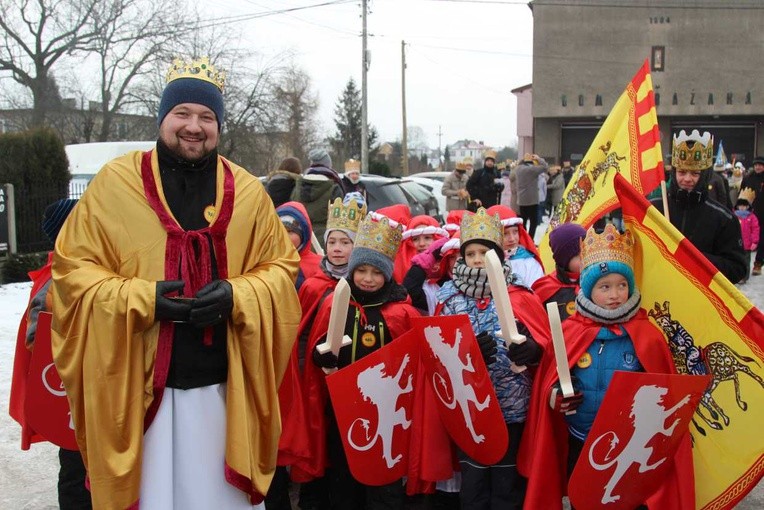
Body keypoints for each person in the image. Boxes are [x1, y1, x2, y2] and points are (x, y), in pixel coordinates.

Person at [50, 57, 302, 510]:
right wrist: (142, 299)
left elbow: (281, 271)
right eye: (182, 113)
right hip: (141, 392)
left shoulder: (247, 192)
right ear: (163, 118)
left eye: (207, 117)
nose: (194, 126)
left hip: (222, 393)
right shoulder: (114, 185)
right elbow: (73, 272)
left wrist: (236, 294)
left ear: (219, 125)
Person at [519, 224, 694, 510]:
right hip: (582, 439)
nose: (615, 294)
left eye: (622, 285)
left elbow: (663, 393)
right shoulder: (569, 331)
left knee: (628, 502)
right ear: (588, 290)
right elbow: (549, 382)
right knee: (583, 499)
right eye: (605, 287)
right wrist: (558, 395)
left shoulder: (647, 336)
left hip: (630, 443)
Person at [300, 214, 420, 509]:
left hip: (387, 416)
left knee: (383, 486)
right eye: (362, 270)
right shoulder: (335, 303)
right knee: (343, 482)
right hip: (342, 413)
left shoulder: (403, 313)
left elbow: (415, 364)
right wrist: (320, 355)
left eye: (376, 272)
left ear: (388, 274)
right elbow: (318, 348)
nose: (368, 278)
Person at [437, 208, 550, 510]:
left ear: (499, 256)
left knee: (507, 487)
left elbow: (542, 342)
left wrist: (533, 351)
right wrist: (468, 354)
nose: (477, 259)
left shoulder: (520, 294)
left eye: (484, 252)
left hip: (513, 407)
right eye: (471, 252)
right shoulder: (448, 299)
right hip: (470, 409)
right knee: (473, 487)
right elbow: (437, 354)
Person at [9, 198, 92, 510]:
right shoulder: (59, 276)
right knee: (76, 470)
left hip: (86, 393)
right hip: (73, 395)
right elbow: (38, 337)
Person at [650, 130, 747, 284]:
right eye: (682, 172)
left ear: (705, 175)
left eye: (695, 173)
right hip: (659, 296)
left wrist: (696, 260)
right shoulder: (653, 210)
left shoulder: (724, 219)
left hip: (701, 301)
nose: (687, 179)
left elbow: (738, 268)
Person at [532, 222, 587, 322]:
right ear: (564, 260)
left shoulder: (598, 280)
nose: (586, 258)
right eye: (578, 256)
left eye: (588, 252)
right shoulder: (546, 289)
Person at [291, 148, 345, 244]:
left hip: (300, 237)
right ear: (328, 165)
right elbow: (339, 217)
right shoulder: (334, 187)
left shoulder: (298, 186)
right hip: (326, 239)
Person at [486, 204, 544, 288]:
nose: (512, 239)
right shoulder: (482, 262)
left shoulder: (528, 262)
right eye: (505, 234)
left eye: (515, 232)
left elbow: (536, 291)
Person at [276, 201, 322, 290]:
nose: (285, 236)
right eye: (280, 231)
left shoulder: (318, 266)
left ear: (303, 235)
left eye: (290, 231)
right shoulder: (266, 261)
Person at [510, 153, 549, 238]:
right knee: (533, 222)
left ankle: (523, 238)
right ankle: (530, 238)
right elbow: (545, 167)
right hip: (532, 200)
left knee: (522, 222)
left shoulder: (518, 169)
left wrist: (520, 161)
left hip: (521, 200)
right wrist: (539, 159)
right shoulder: (533, 170)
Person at [741, 155, 764, 275]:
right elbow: (742, 194)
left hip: (763, 214)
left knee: (762, 240)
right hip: (749, 214)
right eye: (756, 165)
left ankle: (758, 263)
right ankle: (744, 263)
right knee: (747, 238)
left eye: (760, 165)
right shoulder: (748, 178)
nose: (758, 167)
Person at [734, 188, 760, 284]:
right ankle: (736, 275)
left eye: (744, 206)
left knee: (746, 262)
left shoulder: (752, 217)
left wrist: (754, 241)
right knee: (736, 260)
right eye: (740, 205)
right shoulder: (734, 216)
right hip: (736, 244)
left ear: (747, 206)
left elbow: (755, 230)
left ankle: (744, 276)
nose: (742, 207)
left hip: (747, 245)